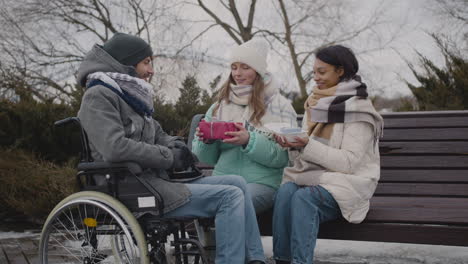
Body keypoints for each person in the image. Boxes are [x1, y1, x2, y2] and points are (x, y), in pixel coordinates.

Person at [76, 32, 265, 264]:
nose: (152, 70)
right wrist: (168, 157)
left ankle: (256, 259)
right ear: (126, 63)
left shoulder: (129, 96)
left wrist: (177, 148)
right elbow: (115, 148)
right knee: (229, 196)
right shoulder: (98, 96)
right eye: (146, 62)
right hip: (131, 186)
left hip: (153, 181)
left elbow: (158, 134)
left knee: (237, 182)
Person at [272, 45, 384, 264]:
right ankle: (282, 260)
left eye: (321, 72)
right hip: (316, 178)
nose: (316, 78)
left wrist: (306, 145)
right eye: (313, 72)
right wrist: (293, 145)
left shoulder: (359, 110)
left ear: (340, 71)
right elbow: (304, 158)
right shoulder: (315, 104)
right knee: (286, 192)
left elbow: (349, 163)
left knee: (304, 198)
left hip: (349, 183)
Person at [192, 39, 297, 214]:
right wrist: (206, 141)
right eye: (234, 67)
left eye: (245, 67)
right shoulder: (219, 106)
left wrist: (249, 140)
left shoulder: (280, 106)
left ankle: (224, 242)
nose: (238, 74)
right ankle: (211, 242)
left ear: (258, 71)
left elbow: (283, 157)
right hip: (223, 180)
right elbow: (207, 159)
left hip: (263, 183)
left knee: (234, 202)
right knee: (187, 198)